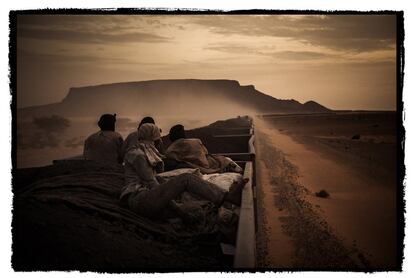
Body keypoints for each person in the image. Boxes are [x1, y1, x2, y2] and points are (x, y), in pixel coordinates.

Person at [120, 123, 246, 219]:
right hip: (139, 199)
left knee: (196, 209)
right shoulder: (138, 154)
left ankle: (221, 199)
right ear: (153, 137)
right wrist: (178, 209)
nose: (159, 141)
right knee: (186, 178)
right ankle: (228, 197)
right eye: (157, 138)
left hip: (146, 198)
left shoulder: (143, 151)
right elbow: (151, 183)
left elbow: (153, 179)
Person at [165, 124, 243, 174]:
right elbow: (206, 152)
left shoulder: (170, 150)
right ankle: (237, 169)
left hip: (192, 167)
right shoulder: (196, 141)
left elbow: (175, 160)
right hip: (205, 164)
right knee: (224, 159)